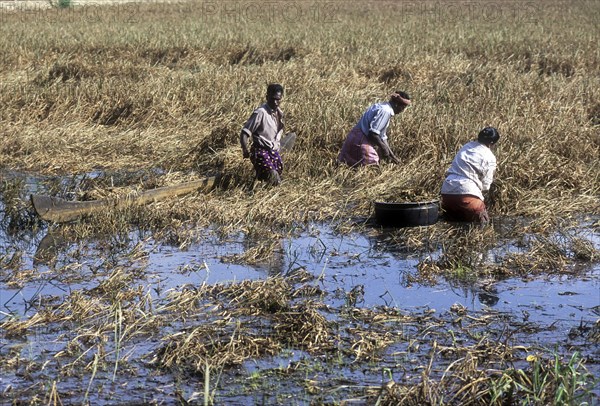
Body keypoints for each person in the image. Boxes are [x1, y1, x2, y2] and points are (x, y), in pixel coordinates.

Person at [440, 127, 501, 224]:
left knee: (452, 227)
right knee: (482, 227)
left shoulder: (466, 146)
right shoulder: (490, 157)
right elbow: (486, 186)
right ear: (492, 143)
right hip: (468, 196)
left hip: (447, 193)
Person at [338, 91, 411, 167]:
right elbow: (373, 134)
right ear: (397, 104)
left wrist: (393, 157)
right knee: (372, 166)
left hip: (353, 136)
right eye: (402, 108)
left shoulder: (382, 106)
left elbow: (382, 137)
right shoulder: (386, 111)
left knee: (348, 165)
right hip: (361, 140)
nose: (402, 111)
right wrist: (383, 148)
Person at [240, 83, 286, 186]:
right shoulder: (261, 113)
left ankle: (253, 187)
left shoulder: (279, 114)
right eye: (272, 99)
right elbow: (244, 132)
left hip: (273, 152)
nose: (275, 102)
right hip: (260, 151)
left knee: (270, 178)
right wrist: (245, 150)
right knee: (274, 179)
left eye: (278, 99)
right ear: (267, 97)